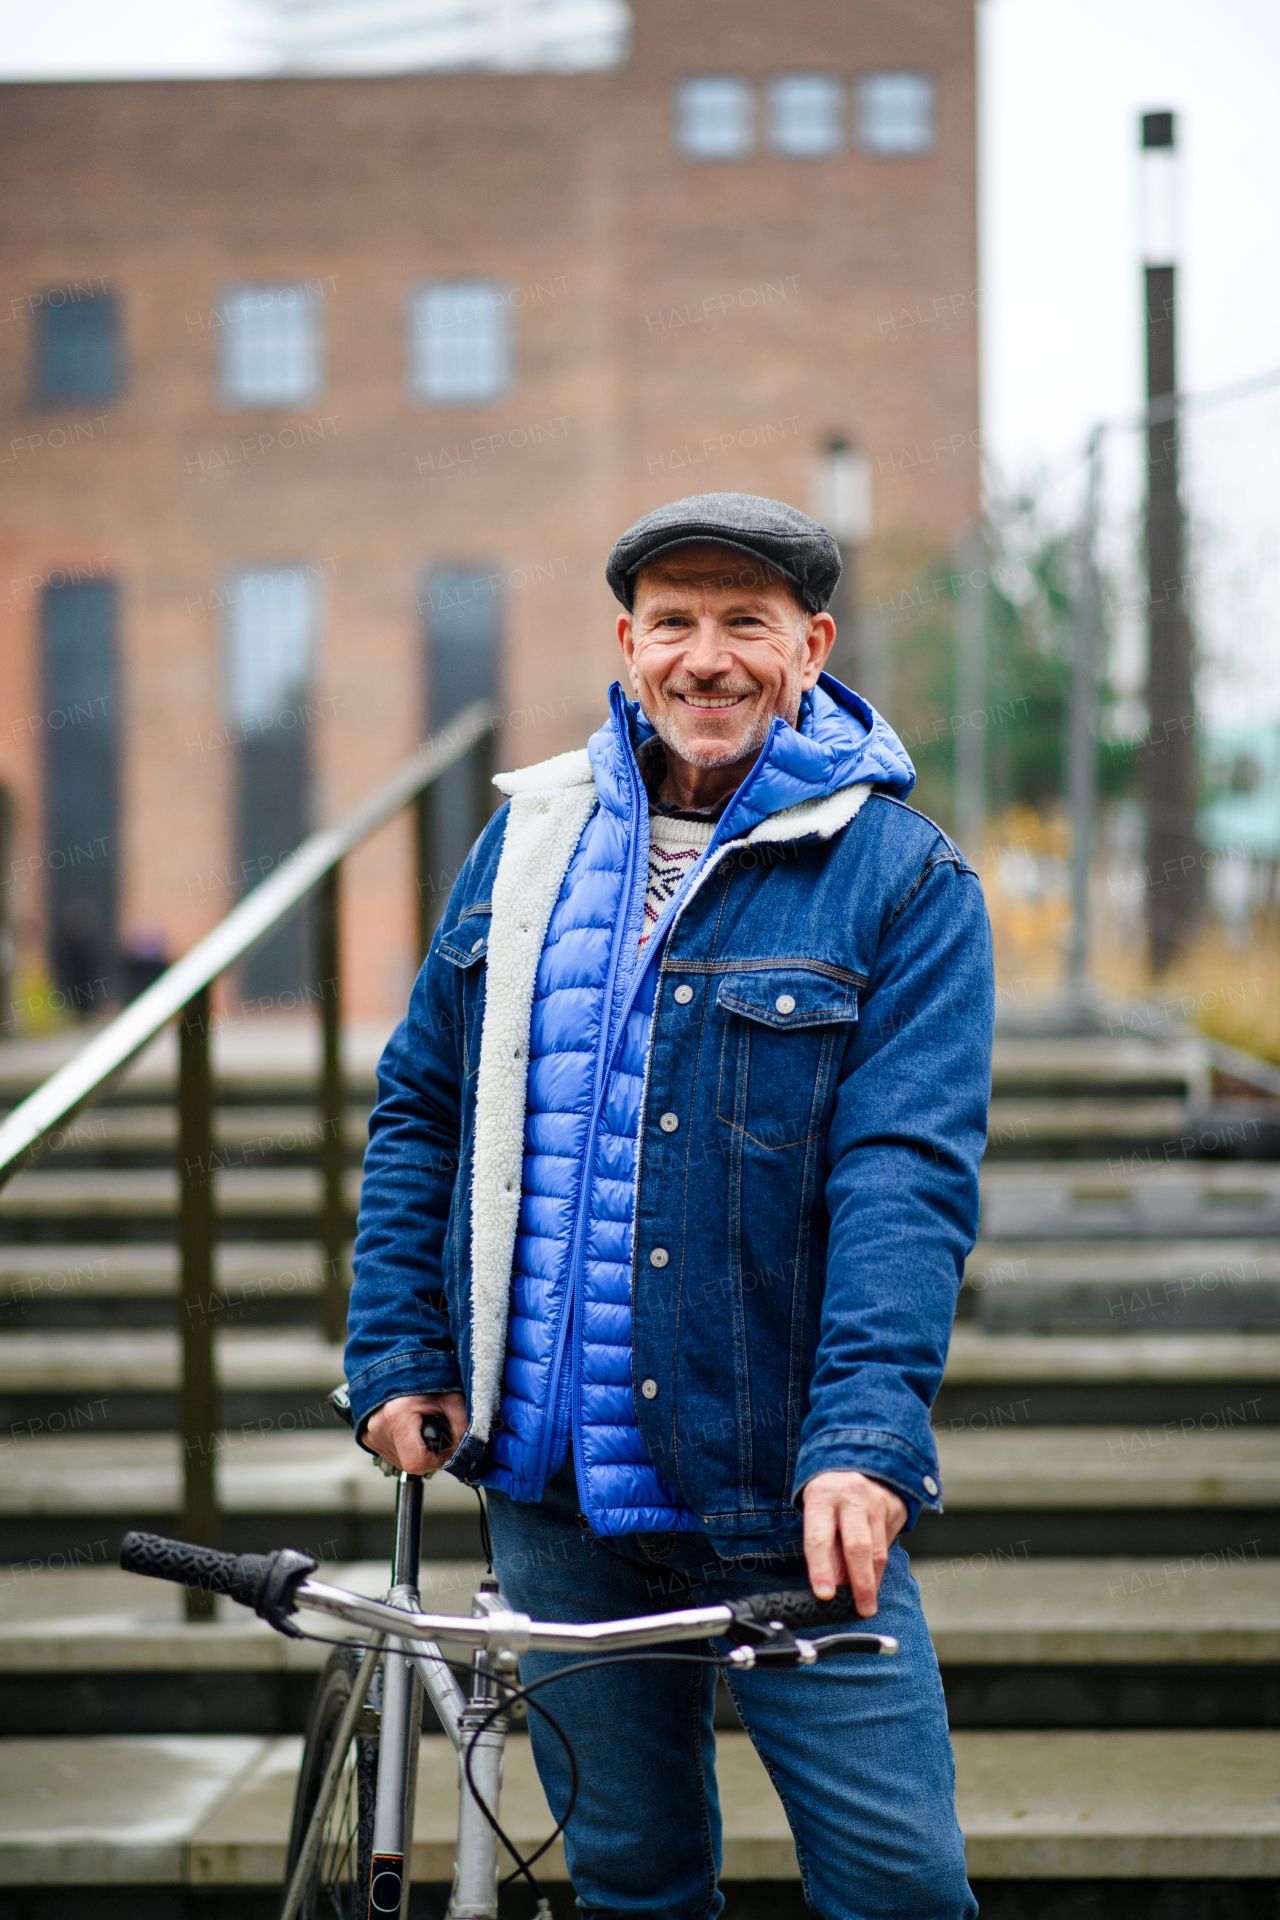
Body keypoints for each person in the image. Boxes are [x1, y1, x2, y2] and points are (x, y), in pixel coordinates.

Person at [346, 492, 992, 1919]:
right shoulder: (526, 845)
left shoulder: (903, 880)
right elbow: (423, 1110)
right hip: (557, 1488)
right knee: (632, 1882)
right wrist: (399, 1349)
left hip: (788, 1484)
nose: (709, 658)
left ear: (811, 647)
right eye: (676, 623)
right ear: (627, 644)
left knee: (900, 1887)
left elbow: (906, 1182)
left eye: (746, 623)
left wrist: (868, 1442)